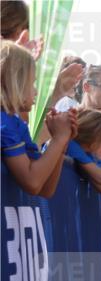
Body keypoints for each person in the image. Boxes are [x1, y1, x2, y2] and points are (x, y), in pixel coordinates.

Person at [1, 41, 77, 197]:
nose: (35, 91)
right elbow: (32, 183)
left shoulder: (16, 123)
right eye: (32, 83)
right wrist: (59, 138)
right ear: (14, 81)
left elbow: (45, 189)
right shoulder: (3, 123)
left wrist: (62, 142)